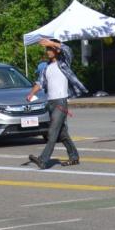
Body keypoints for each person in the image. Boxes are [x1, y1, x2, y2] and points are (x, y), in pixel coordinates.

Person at [25, 37, 86, 169]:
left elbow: (67, 50)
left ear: (56, 50)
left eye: (50, 49)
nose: (48, 51)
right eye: (47, 49)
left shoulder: (64, 62)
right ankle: (74, 157)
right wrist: (31, 94)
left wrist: (51, 43)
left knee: (52, 132)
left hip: (61, 102)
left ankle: (43, 160)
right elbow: (40, 83)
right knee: (62, 133)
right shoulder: (46, 67)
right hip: (51, 103)